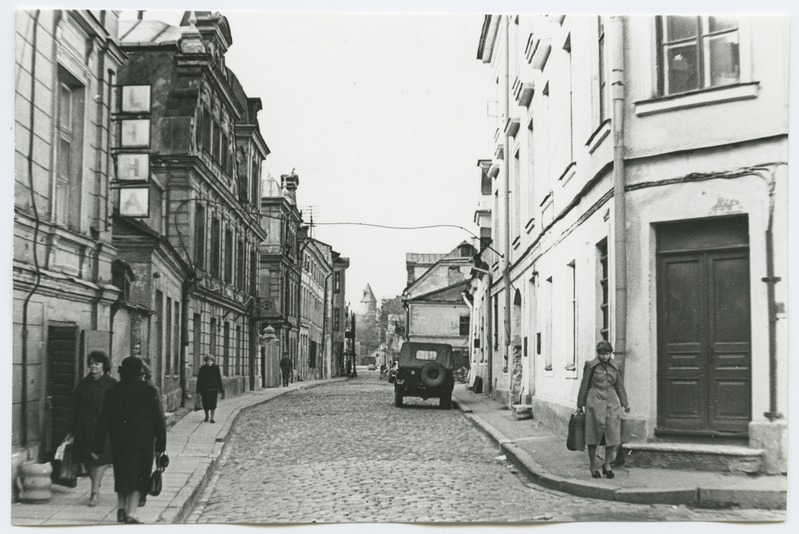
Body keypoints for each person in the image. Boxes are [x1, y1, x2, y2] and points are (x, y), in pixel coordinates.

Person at [92, 356, 166, 524]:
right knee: (140, 476)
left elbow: (104, 421)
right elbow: (158, 420)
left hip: (119, 441)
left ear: (122, 372)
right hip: (143, 442)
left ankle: (120, 508)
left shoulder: (112, 391)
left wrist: (97, 447)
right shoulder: (149, 391)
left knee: (123, 474)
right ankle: (131, 514)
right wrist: (161, 445)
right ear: (140, 372)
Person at [67, 351, 117, 507]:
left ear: (104, 366)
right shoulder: (83, 383)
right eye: (92, 363)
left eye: (97, 363)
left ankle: (94, 492)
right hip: (85, 428)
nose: (93, 366)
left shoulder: (112, 383)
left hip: (105, 430)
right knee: (88, 461)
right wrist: (70, 429)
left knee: (100, 460)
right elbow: (75, 407)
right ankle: (96, 483)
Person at [576, 340, 630, 479]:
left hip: (611, 402)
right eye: (602, 354)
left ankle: (607, 465)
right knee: (593, 434)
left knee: (611, 434)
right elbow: (584, 384)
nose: (605, 357)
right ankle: (593, 465)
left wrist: (625, 403)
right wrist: (580, 404)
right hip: (594, 401)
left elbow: (619, 386)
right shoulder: (591, 366)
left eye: (607, 354)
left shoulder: (616, 366)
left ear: (610, 353)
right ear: (598, 353)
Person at [197, 356, 225, 423]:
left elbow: (219, 379)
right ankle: (206, 416)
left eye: (211, 361)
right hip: (204, 389)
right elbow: (199, 380)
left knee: (213, 404)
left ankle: (212, 418)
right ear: (205, 362)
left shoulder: (216, 368)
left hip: (214, 389)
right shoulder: (202, 369)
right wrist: (198, 390)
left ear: (213, 361)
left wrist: (221, 389)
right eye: (208, 361)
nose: (209, 363)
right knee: (205, 404)